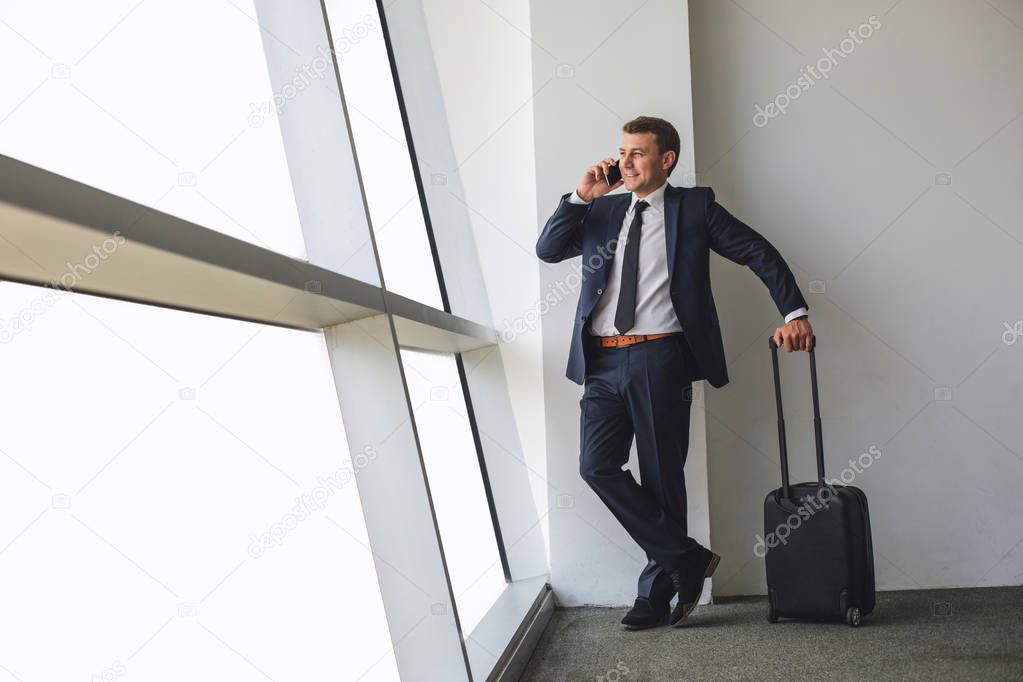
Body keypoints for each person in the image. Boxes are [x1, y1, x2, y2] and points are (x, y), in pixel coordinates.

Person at [535, 115, 813, 630]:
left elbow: (757, 250)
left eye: (638, 152)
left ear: (667, 160)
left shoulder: (694, 208)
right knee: (596, 466)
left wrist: (794, 311)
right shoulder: (602, 209)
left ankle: (655, 595)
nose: (625, 161)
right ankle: (686, 557)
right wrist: (579, 195)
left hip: (659, 357)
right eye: (622, 151)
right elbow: (548, 250)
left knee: (662, 477)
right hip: (601, 359)